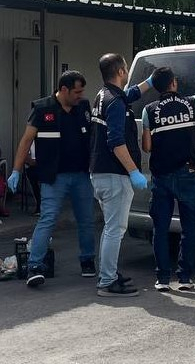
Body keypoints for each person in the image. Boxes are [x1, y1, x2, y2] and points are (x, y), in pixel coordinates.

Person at [7, 71, 96, 288]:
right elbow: (26, 141)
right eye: (77, 92)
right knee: (47, 218)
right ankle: (34, 267)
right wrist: (16, 170)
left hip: (82, 175)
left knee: (86, 220)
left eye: (82, 91)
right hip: (54, 177)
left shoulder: (83, 107)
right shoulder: (42, 108)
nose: (81, 96)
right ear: (64, 89)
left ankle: (87, 261)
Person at [141, 62, 195, 292]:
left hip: (161, 175)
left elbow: (147, 146)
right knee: (189, 227)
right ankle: (185, 278)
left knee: (161, 228)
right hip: (188, 173)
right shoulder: (190, 103)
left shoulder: (149, 110)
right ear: (174, 83)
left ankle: (162, 279)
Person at [90, 53, 153, 297]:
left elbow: (131, 94)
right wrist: (134, 171)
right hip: (114, 174)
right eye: (126, 68)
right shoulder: (115, 102)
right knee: (115, 229)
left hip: (101, 173)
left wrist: (150, 82)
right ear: (120, 72)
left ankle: (109, 273)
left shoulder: (103, 95)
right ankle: (107, 282)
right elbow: (116, 142)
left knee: (111, 228)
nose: (127, 71)